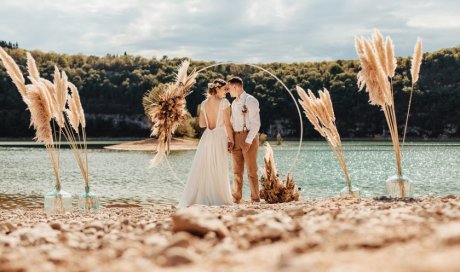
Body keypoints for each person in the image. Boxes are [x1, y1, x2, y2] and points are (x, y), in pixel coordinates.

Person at [178, 79, 234, 207]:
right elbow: (227, 124)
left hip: (208, 136)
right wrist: (232, 140)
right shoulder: (224, 103)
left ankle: (203, 196)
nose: (226, 92)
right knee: (219, 165)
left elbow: (202, 124)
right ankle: (219, 197)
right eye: (224, 89)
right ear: (217, 89)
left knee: (205, 166)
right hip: (219, 136)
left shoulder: (203, 103)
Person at [226, 76, 261, 203]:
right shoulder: (234, 103)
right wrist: (230, 140)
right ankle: (236, 197)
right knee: (236, 171)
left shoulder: (251, 100)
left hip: (248, 136)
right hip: (235, 137)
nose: (228, 91)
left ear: (235, 86)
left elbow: (256, 124)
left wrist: (248, 141)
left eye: (229, 88)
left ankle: (255, 198)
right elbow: (231, 122)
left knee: (251, 170)